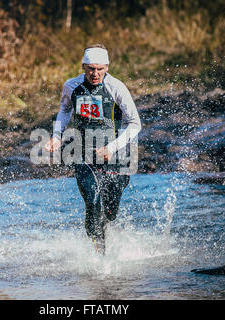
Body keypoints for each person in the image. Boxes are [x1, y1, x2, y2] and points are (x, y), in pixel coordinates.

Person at [44, 44, 141, 254]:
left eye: (99, 69)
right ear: (83, 66)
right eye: (90, 69)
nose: (94, 74)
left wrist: (112, 148)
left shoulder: (117, 87)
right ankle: (99, 257)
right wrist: (57, 137)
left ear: (107, 67)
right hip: (83, 154)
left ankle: (105, 237)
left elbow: (135, 123)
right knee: (93, 203)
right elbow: (64, 110)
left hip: (115, 156)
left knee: (109, 212)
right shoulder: (72, 86)